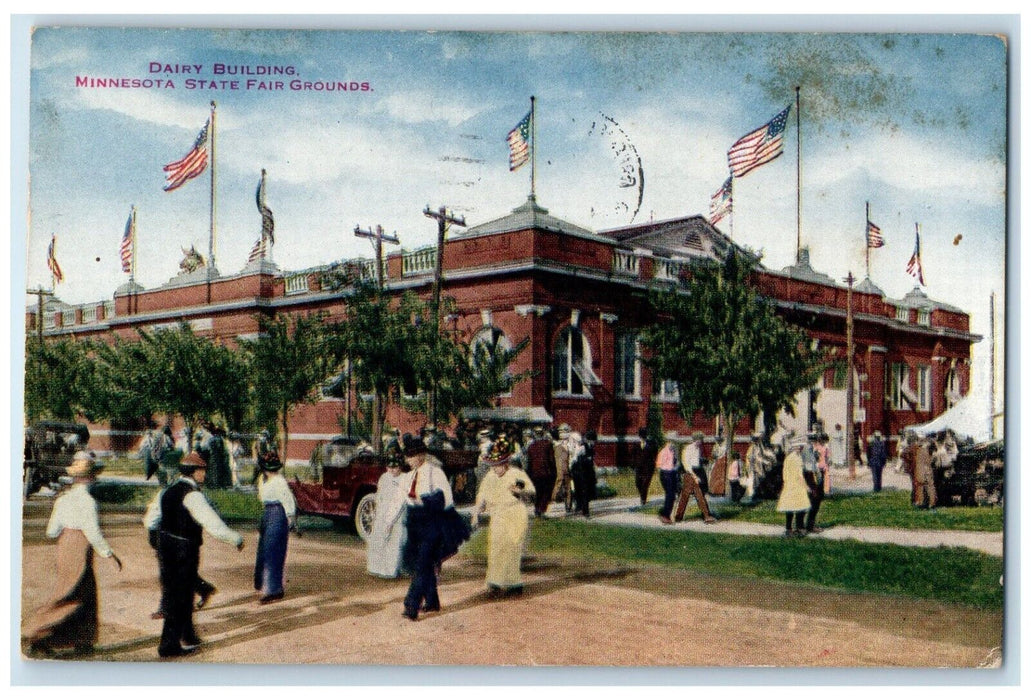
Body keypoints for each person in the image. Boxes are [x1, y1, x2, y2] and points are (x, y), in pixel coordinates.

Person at [26, 452, 122, 656]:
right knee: (75, 595)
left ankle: (80, 640)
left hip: (64, 545)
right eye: (92, 475)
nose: (94, 479)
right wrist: (109, 554)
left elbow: (51, 531)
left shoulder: (62, 500)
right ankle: (40, 635)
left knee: (74, 591)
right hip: (80, 546)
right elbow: (92, 532)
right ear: (85, 478)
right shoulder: (88, 501)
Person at [156, 451, 244, 658]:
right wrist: (235, 539)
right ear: (194, 472)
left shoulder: (168, 490)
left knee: (179, 592)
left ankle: (188, 635)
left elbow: (152, 517)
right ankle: (169, 645)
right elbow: (212, 524)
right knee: (181, 595)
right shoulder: (193, 495)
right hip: (184, 549)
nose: (204, 474)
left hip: (165, 544)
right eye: (202, 470)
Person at [401, 435, 458, 621]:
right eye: (407, 456)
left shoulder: (435, 473)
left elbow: (447, 499)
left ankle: (412, 604)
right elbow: (401, 500)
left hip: (432, 522)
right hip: (415, 523)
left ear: (422, 455)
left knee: (423, 563)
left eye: (412, 455)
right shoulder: (409, 476)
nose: (408, 459)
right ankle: (432, 601)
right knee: (423, 562)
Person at [472, 433, 536, 595]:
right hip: (498, 515)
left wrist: (519, 492)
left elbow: (530, 493)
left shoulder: (516, 474)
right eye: (493, 465)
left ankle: (513, 583)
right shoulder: (490, 476)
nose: (495, 468)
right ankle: (494, 581)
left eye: (498, 465)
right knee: (496, 547)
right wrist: (476, 512)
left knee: (511, 548)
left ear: (506, 463)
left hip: (515, 514)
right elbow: (482, 495)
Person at [254, 455, 297, 604]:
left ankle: (273, 589)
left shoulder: (280, 481)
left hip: (278, 513)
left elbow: (288, 500)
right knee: (264, 550)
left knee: (273, 550)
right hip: (267, 513)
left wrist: (291, 519)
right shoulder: (261, 479)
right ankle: (265, 585)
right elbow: (261, 498)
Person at [366, 449, 413, 579]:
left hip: (397, 515)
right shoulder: (384, 477)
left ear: (400, 466)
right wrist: (377, 512)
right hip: (382, 512)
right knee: (378, 540)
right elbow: (379, 495)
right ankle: (376, 567)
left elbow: (400, 501)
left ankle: (391, 571)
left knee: (395, 542)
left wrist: (391, 521)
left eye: (395, 467)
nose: (392, 470)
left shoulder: (404, 479)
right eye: (389, 467)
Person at [776, 437, 810, 536]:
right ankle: (799, 527)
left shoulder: (788, 458)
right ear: (796, 447)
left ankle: (789, 528)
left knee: (790, 507)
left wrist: (786, 482)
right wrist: (806, 486)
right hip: (797, 485)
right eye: (800, 446)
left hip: (789, 484)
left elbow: (784, 473)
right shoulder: (797, 458)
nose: (801, 448)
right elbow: (800, 475)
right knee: (801, 506)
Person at [524, 426, 557, 517]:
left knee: (538, 491)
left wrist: (529, 473)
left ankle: (537, 508)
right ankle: (541, 510)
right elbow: (551, 459)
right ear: (542, 434)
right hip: (546, 472)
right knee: (546, 492)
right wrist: (554, 471)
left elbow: (529, 461)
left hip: (534, 473)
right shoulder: (548, 444)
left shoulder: (531, 446)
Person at [569, 430, 598, 518]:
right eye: (593, 440)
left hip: (588, 473)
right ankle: (585, 512)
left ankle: (580, 506)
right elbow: (575, 459)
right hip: (580, 473)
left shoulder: (591, 448)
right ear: (589, 440)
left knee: (588, 492)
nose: (594, 442)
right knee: (583, 491)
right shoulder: (582, 447)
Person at [803, 434, 825, 534]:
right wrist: (812, 485)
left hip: (815, 477)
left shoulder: (812, 450)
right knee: (812, 502)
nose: (815, 442)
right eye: (814, 440)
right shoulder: (807, 450)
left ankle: (809, 525)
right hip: (810, 478)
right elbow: (808, 469)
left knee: (816, 502)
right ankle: (808, 526)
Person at [655, 431, 679, 524]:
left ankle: (665, 513)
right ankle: (665, 515)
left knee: (672, 496)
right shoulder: (664, 451)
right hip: (665, 474)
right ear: (668, 441)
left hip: (672, 473)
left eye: (674, 442)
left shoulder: (674, 451)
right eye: (671, 441)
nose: (673, 443)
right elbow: (659, 465)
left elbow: (675, 463)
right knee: (670, 494)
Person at [633, 427, 659, 505]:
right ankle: (642, 495)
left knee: (645, 484)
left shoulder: (652, 443)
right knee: (638, 483)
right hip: (639, 467)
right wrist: (633, 465)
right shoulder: (636, 445)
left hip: (649, 468)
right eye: (641, 435)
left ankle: (643, 500)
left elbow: (655, 453)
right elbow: (633, 456)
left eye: (644, 435)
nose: (642, 437)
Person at [913, 436, 938, 510]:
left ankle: (921, 503)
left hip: (921, 471)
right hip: (928, 470)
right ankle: (932, 503)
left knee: (921, 487)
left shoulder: (921, 450)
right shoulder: (932, 452)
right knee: (930, 487)